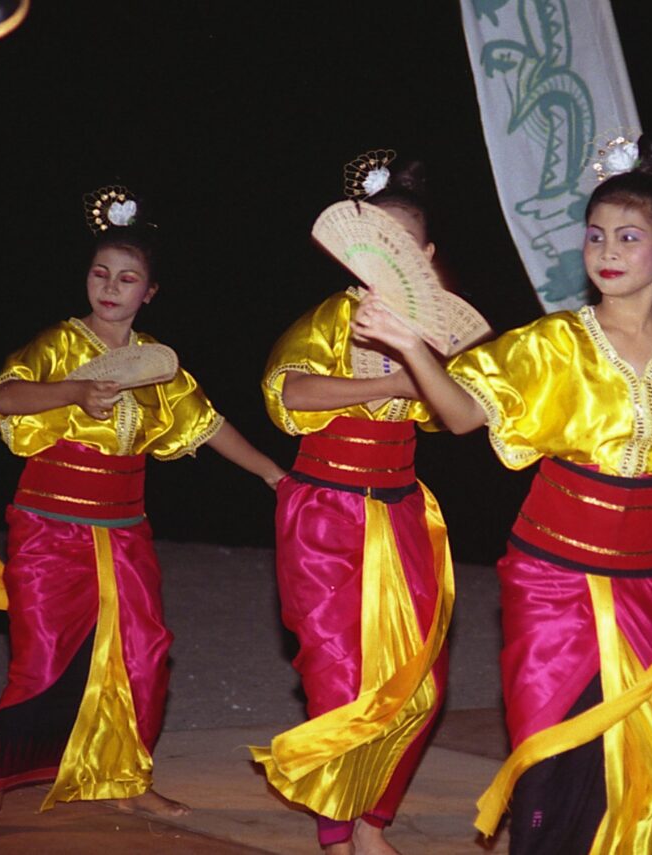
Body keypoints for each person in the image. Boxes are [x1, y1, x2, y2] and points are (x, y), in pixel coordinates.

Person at [351, 135, 652, 854]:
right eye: (595, 235)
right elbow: (460, 415)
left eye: (629, 236)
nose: (607, 250)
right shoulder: (552, 343)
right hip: (552, 578)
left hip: (647, 583)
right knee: (552, 764)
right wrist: (411, 346)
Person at [0, 186, 285, 841]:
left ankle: (128, 780)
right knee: (41, 659)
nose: (110, 287)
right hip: (49, 527)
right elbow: (5, 398)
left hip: (125, 530)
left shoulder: (158, 364)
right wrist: (73, 391)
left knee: (143, 656)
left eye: (127, 279)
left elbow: (208, 424)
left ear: (149, 293)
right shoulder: (59, 344)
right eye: (100, 273)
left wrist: (272, 472)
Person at [247, 152, 456, 855]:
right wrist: (385, 386)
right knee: (340, 677)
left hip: (403, 512)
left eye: (405, 246)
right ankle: (338, 836)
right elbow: (291, 392)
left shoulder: (434, 332)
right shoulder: (330, 319)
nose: (390, 259)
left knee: (420, 683)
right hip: (325, 514)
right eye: (378, 244)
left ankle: (372, 823)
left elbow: (457, 411)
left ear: (426, 256)